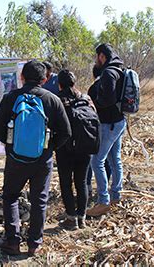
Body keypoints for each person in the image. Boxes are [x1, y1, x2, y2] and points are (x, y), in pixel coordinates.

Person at [0, 60, 71, 256]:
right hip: (42, 160)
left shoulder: (11, 97)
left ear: (22, 77)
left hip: (15, 159)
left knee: (10, 197)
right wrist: (48, 148)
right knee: (39, 200)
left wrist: (12, 147)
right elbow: (66, 132)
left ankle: (12, 242)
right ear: (44, 79)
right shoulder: (53, 100)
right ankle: (34, 244)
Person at [86, 44, 126, 217]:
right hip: (119, 121)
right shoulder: (120, 69)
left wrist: (94, 103)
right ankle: (116, 195)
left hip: (109, 123)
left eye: (97, 57)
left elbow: (108, 99)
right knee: (114, 159)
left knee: (97, 161)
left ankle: (103, 201)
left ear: (102, 56)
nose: (96, 60)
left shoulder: (109, 73)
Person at [56, 69, 95, 230]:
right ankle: (82, 218)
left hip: (64, 147)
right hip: (85, 146)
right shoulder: (86, 98)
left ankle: (71, 218)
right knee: (82, 182)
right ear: (74, 83)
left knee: (66, 183)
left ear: (59, 84)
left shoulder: (57, 100)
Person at [86, 64, 112, 198]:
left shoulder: (93, 88)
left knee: (95, 159)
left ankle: (96, 191)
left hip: (99, 127)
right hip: (113, 126)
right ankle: (109, 188)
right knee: (110, 159)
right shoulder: (110, 85)